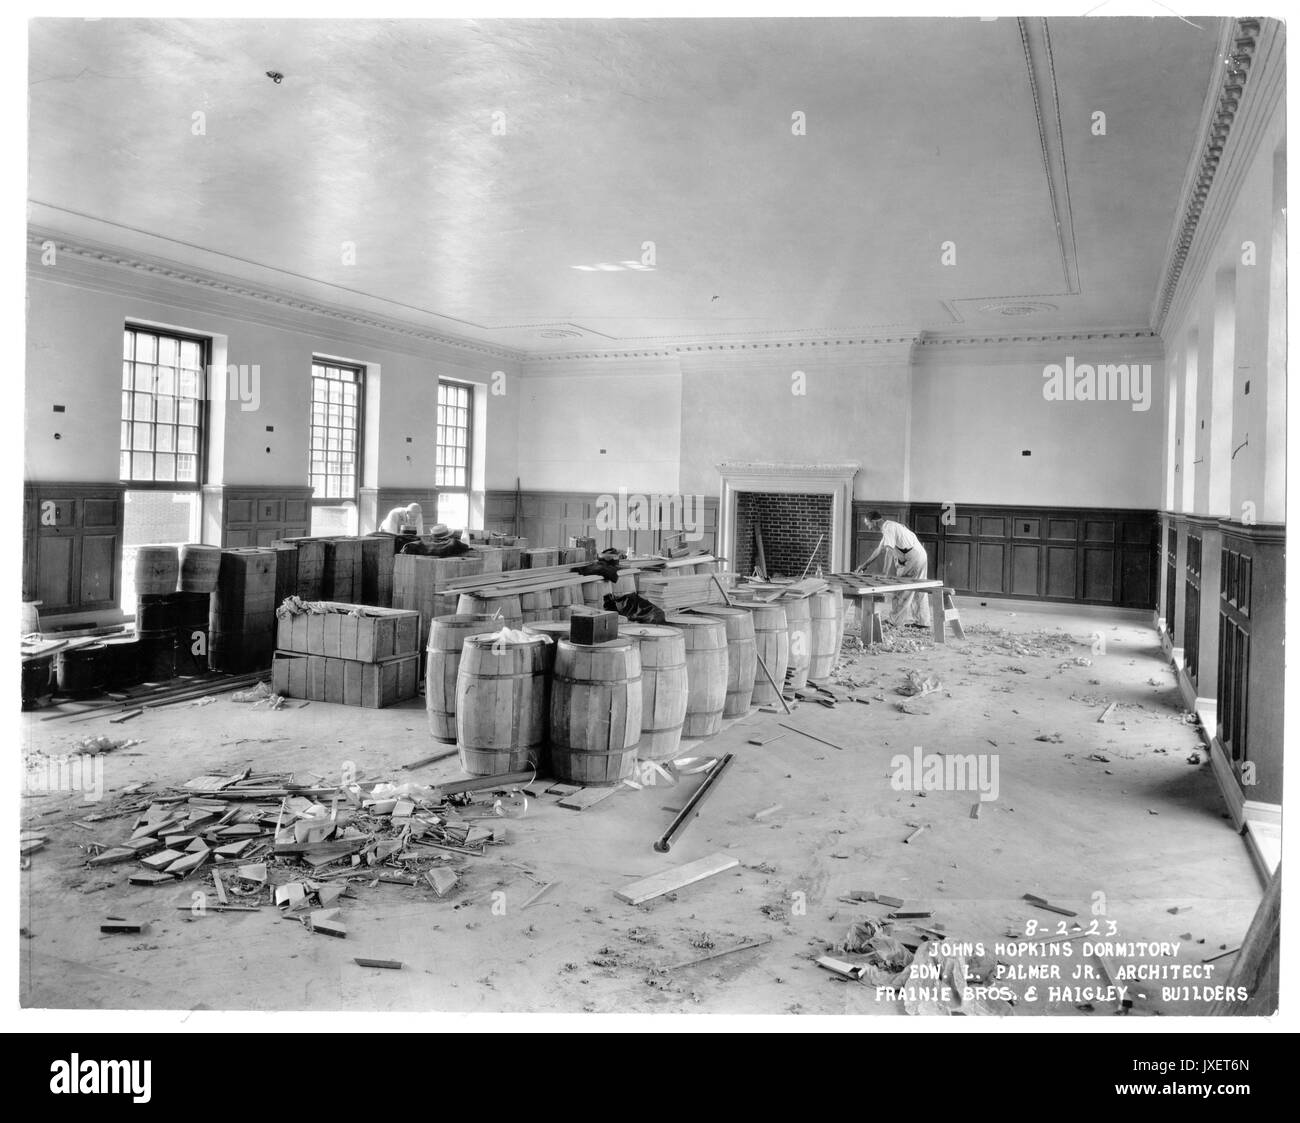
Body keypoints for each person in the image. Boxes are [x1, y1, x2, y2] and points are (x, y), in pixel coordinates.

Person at [856, 511, 933, 628]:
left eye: (868, 524)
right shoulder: (890, 527)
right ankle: (922, 622)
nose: (869, 527)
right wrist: (865, 565)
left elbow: (889, 552)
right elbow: (879, 550)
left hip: (913, 558)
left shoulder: (888, 529)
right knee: (918, 588)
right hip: (919, 555)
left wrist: (884, 573)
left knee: (902, 589)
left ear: (875, 521)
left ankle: (894, 622)